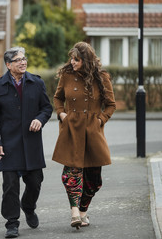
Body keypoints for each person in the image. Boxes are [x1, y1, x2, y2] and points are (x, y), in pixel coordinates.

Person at [0, 47, 53, 238]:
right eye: (18, 60)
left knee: (35, 182)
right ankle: (12, 223)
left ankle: (29, 207)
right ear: (9, 65)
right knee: (10, 186)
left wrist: (40, 119)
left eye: (24, 59)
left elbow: (46, 108)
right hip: (9, 145)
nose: (23, 62)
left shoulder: (36, 83)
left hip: (32, 144)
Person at [52, 42, 116, 229]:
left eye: (77, 60)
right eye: (71, 58)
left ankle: (83, 212)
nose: (72, 62)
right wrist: (62, 114)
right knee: (71, 174)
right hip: (71, 130)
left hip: (93, 132)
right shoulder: (66, 75)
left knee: (94, 179)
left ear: (86, 60)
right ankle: (74, 213)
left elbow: (111, 105)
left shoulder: (102, 77)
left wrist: (100, 120)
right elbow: (58, 97)